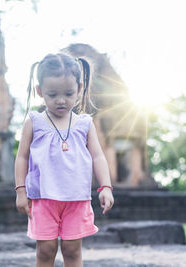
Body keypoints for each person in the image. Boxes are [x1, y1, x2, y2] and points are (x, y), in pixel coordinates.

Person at [15, 53, 114, 267]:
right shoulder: (34, 121)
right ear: (40, 91)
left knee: (72, 249)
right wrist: (20, 191)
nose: (61, 100)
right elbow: (22, 157)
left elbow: (97, 156)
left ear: (79, 90)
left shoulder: (85, 124)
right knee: (45, 249)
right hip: (43, 197)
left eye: (68, 93)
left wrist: (106, 186)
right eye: (52, 94)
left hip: (76, 198)